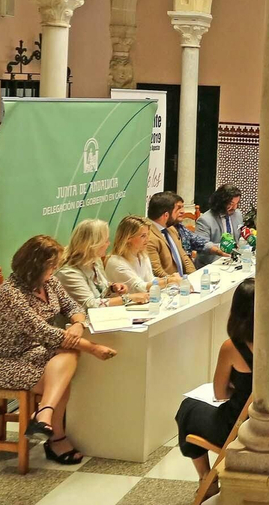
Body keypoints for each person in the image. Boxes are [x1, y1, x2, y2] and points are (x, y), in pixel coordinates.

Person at [0, 235, 116, 465]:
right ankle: (56, 437)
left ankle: (44, 415)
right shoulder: (12, 294)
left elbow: (72, 306)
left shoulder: (50, 283)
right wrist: (92, 347)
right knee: (59, 380)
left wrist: (78, 323)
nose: (55, 269)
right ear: (34, 265)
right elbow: (44, 332)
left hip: (32, 353)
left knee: (67, 358)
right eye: (51, 265)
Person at [175, 279, 255, 467]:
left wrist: (236, 388)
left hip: (239, 424)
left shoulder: (231, 348)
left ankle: (205, 478)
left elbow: (219, 394)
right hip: (264, 417)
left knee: (188, 408)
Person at [56, 218, 127, 308]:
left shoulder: (96, 262)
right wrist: (127, 298)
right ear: (93, 244)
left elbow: (99, 293)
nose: (109, 243)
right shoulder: (69, 273)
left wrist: (112, 289)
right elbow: (90, 304)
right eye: (106, 241)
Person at [104, 214, 159, 297]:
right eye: (143, 236)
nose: (147, 239)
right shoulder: (115, 262)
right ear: (128, 238)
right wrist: (167, 281)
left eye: (148, 235)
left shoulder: (142, 256)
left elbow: (151, 280)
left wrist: (171, 281)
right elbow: (139, 288)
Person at [143, 191, 194, 280]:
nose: (182, 212)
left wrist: (195, 277)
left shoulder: (171, 228)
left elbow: (184, 257)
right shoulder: (148, 237)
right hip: (167, 287)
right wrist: (178, 282)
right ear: (166, 215)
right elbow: (157, 271)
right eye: (178, 209)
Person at [192, 184, 244, 266]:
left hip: (233, 262)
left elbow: (239, 236)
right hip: (212, 264)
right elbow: (201, 245)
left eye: (237, 203)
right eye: (231, 204)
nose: (234, 207)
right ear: (220, 202)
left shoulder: (237, 214)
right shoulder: (205, 220)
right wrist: (223, 247)